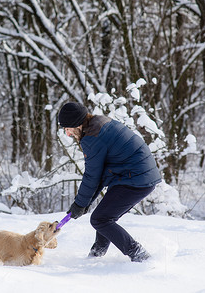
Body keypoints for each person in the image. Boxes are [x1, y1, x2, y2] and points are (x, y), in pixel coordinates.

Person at [58, 102, 162, 262]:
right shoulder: (99, 123)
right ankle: (96, 255)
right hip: (135, 175)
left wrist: (80, 204)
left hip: (135, 178)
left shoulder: (92, 137)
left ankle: (140, 256)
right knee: (104, 215)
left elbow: (92, 176)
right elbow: (99, 174)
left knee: (100, 219)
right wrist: (84, 203)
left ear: (77, 124)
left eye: (68, 129)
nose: (68, 134)